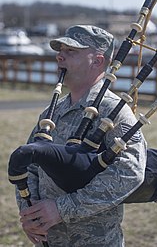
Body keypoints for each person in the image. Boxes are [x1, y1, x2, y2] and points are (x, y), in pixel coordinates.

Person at [16, 25, 147, 246]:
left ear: (97, 61)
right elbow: (30, 163)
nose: (60, 56)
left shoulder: (114, 111)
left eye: (71, 51)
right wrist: (30, 213)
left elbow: (130, 172)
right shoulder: (53, 111)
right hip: (50, 239)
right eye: (60, 50)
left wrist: (61, 209)